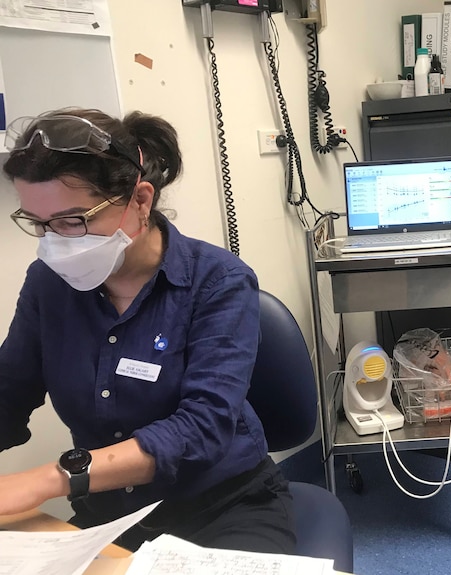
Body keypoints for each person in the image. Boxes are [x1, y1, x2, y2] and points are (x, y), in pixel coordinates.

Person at [0, 108, 297, 554]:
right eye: (40, 225)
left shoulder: (218, 281)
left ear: (140, 200)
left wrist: (52, 478)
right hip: (111, 517)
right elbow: (9, 390)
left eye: (73, 221)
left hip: (223, 507)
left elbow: (202, 428)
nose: (54, 242)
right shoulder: (48, 284)